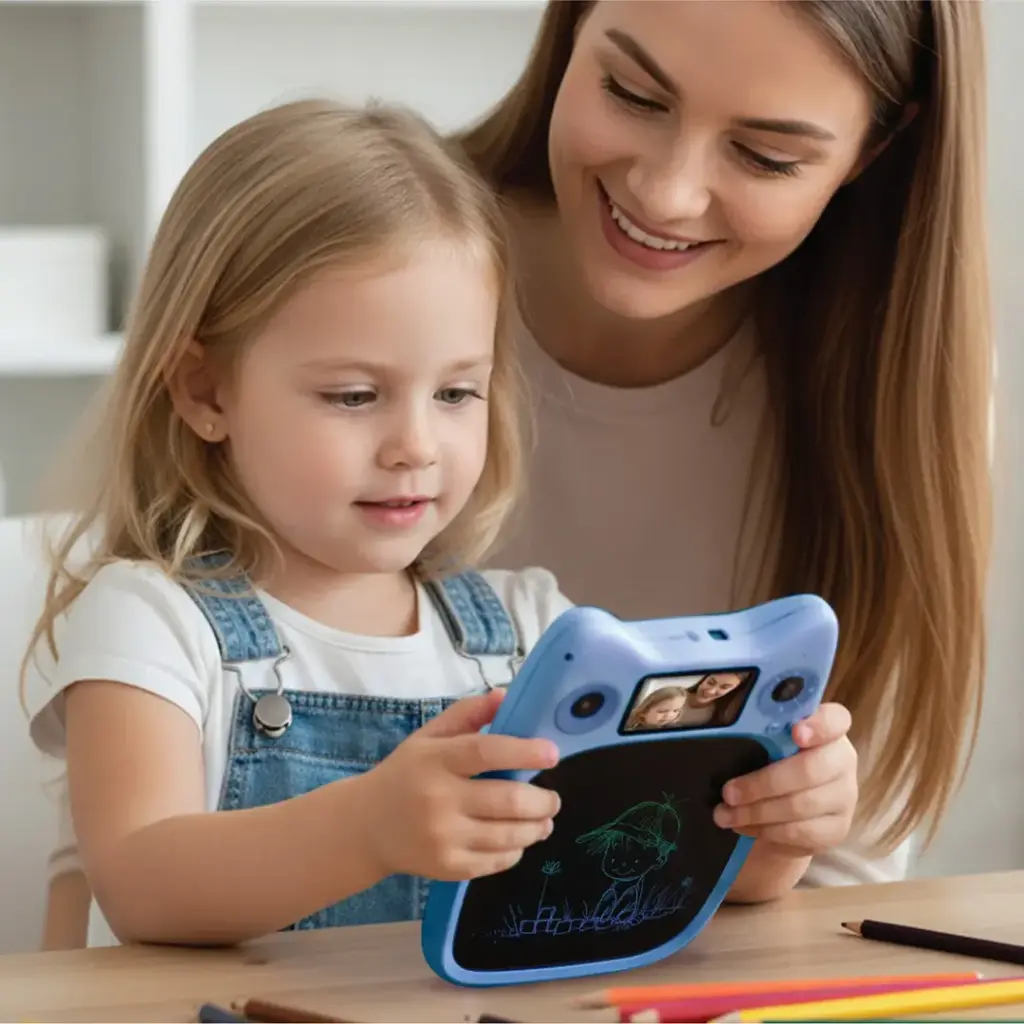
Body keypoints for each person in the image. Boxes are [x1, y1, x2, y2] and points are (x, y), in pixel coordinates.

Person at [458, 0, 992, 888]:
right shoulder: (347, 265)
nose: (666, 193)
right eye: (633, 94)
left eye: (766, 156)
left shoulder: (893, 386)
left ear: (875, 150)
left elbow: (841, 871)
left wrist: (787, 831)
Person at [23, 99, 574, 947]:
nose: (416, 445)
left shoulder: (535, 632)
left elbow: (624, 867)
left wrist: (758, 832)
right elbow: (141, 885)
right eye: (354, 395)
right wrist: (368, 828)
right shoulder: (150, 621)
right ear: (206, 391)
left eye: (456, 391)